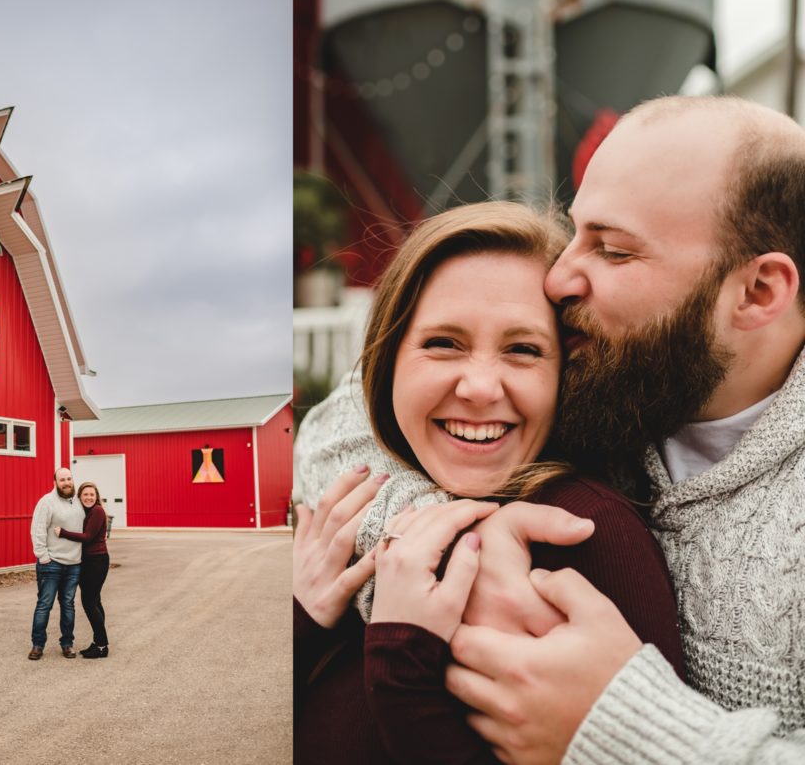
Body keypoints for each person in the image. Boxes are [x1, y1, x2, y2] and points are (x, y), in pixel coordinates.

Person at [296, 95, 805, 763]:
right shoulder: (606, 364)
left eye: (613, 250)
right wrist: (456, 541)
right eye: (575, 231)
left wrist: (630, 732)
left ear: (759, 292)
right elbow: (347, 422)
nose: (560, 276)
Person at [293, 201, 683, 764]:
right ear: (387, 362)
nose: (479, 388)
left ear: (565, 375)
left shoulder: (585, 532)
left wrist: (404, 662)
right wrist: (304, 619)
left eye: (523, 350)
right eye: (443, 343)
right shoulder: (353, 512)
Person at [28, 467, 85, 660]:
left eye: (69, 479)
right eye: (62, 480)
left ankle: (67, 644)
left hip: (74, 563)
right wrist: (43, 556)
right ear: (55, 482)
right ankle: (37, 645)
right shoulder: (47, 502)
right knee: (45, 604)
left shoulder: (78, 502)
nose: (67, 483)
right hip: (51, 563)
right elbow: (37, 530)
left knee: (68, 605)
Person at [54, 481, 110, 659]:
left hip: (97, 561)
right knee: (96, 602)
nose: (88, 497)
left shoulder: (97, 511)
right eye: (85, 495)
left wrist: (62, 532)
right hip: (89, 561)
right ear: (79, 497)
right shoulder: (86, 512)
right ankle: (99, 642)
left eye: (92, 495)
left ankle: (102, 646)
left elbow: (87, 537)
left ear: (97, 496)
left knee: (89, 603)